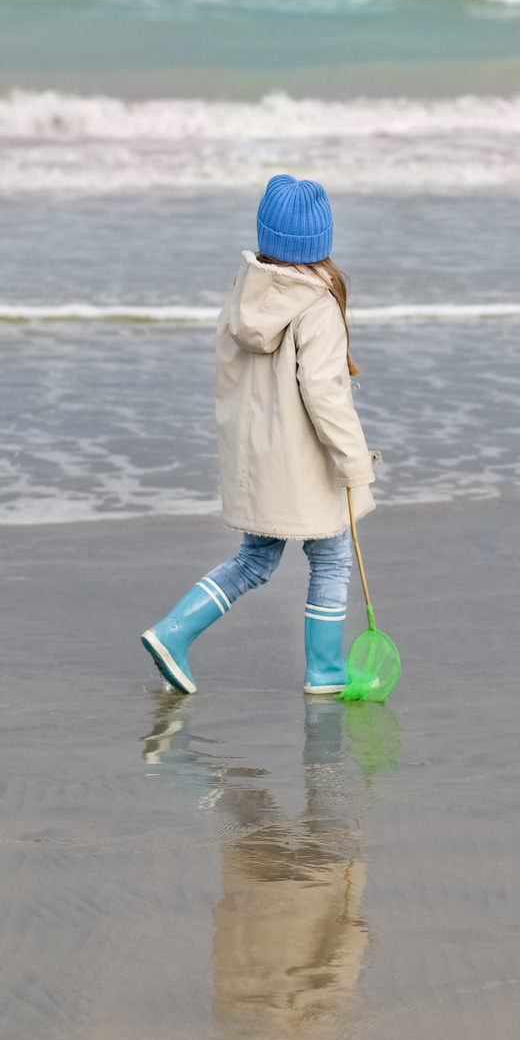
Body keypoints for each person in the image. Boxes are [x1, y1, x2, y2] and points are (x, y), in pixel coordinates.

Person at [142, 175, 378, 696]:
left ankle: (174, 630)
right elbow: (325, 395)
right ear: (321, 242)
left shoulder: (244, 296)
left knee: (255, 558)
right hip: (306, 462)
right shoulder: (316, 306)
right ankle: (326, 672)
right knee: (332, 557)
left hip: (256, 458)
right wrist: (353, 461)